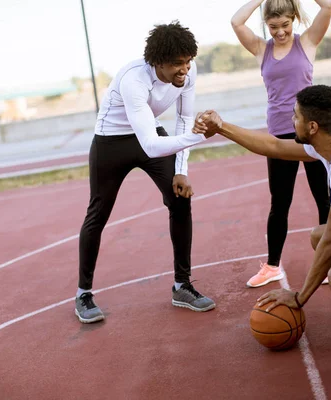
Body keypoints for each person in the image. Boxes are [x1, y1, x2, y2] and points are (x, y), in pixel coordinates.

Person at [193, 84, 331, 311]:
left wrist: (299, 298)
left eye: (296, 116)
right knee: (318, 235)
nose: (292, 121)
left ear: (312, 127)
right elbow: (275, 145)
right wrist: (221, 127)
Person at [75, 21, 216, 324]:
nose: (185, 69)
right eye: (178, 63)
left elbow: (184, 119)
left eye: (189, 61)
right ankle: (83, 293)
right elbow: (152, 146)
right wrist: (202, 136)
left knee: (180, 199)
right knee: (98, 213)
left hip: (150, 133)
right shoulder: (133, 79)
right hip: (112, 142)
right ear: (157, 63)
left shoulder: (187, 74)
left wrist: (181, 170)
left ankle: (182, 286)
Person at [231, 0, 331, 287]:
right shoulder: (261, 49)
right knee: (280, 202)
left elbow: (328, 6)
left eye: (285, 25)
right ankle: (273, 265)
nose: (279, 32)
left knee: (323, 198)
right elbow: (236, 22)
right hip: (278, 135)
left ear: (294, 20)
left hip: (311, 132)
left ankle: (327, 262)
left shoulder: (308, 42)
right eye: (273, 27)